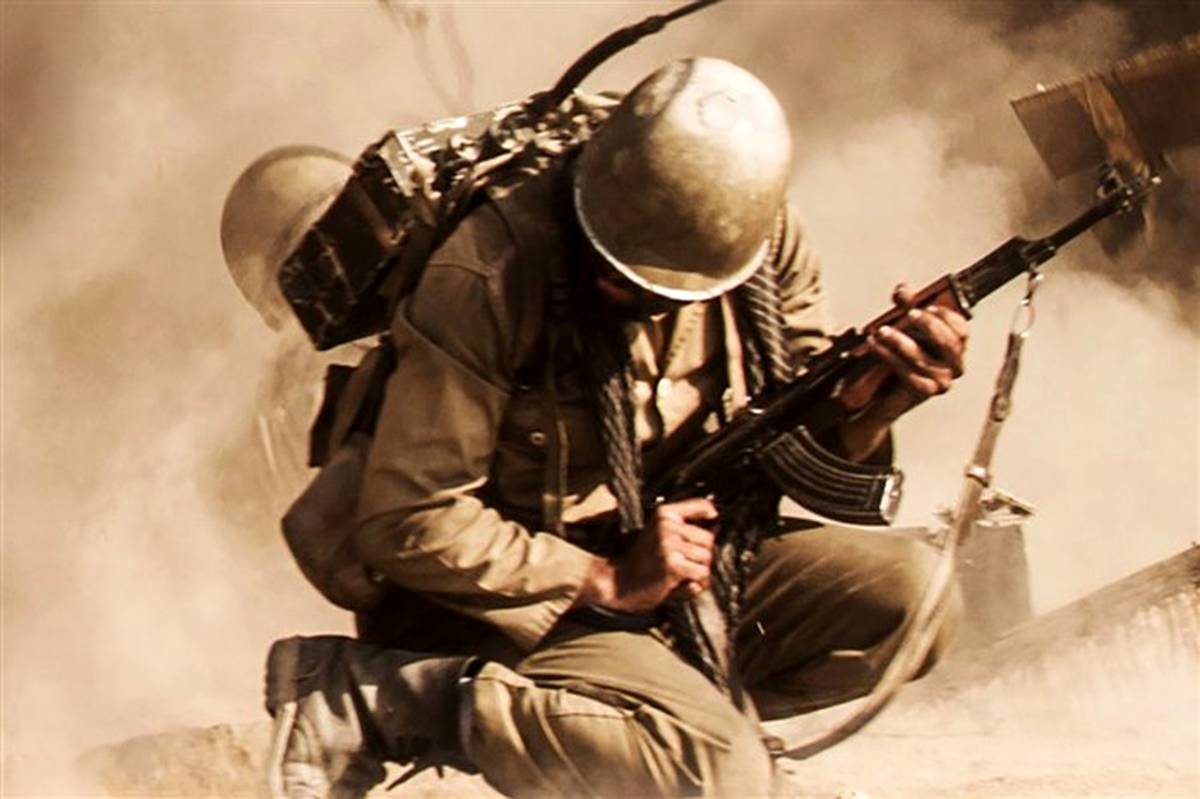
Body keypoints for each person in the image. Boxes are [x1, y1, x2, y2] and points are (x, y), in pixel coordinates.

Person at [262, 57, 969, 798]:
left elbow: (791, 433)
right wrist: (605, 579)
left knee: (916, 601)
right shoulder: (490, 272)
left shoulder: (752, 245)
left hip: (668, 566)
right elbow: (410, 519)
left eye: (649, 285)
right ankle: (378, 697)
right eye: (609, 262)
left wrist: (874, 405)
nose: (614, 285)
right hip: (493, 595)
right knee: (715, 775)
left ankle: (650, 724)